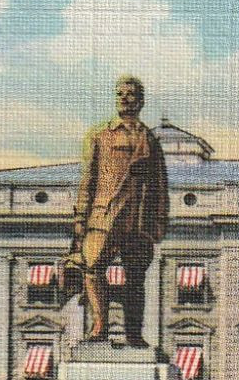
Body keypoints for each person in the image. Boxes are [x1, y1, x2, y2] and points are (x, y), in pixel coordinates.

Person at [69, 75, 169, 345]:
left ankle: (134, 334)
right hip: (103, 215)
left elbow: (160, 185)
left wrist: (158, 221)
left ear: (141, 101)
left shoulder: (151, 141)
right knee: (92, 268)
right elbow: (87, 178)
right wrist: (81, 216)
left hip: (138, 220)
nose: (125, 98)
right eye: (120, 94)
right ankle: (99, 327)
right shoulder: (99, 134)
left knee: (136, 276)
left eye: (131, 94)